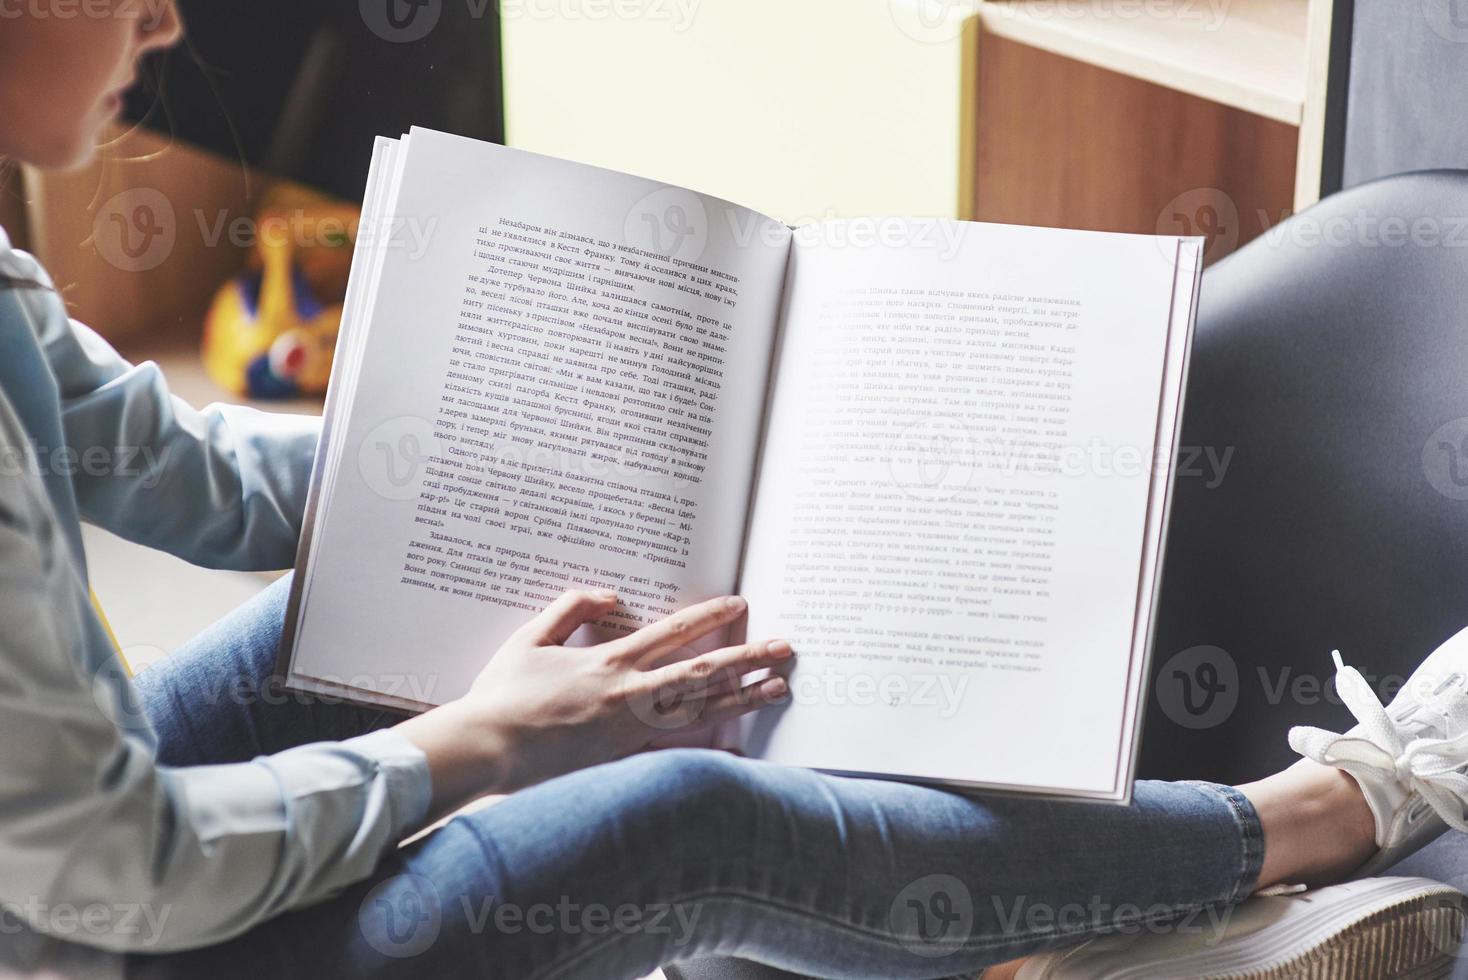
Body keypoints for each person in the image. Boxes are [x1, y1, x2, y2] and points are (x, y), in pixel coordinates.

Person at [3, 6, 1468, 979]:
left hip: (72, 842)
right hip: (93, 932)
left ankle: (1039, 897)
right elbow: (122, 875)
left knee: (391, 609)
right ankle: (1308, 824)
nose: (166, 20)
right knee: (692, 814)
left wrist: (603, 465)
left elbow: (187, 475)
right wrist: (477, 743)